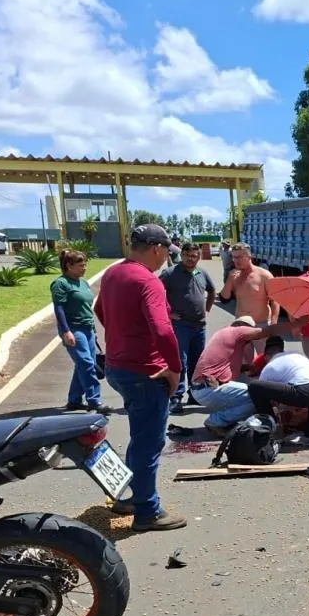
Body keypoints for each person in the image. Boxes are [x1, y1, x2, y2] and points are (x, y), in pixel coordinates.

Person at [93, 224, 186, 532]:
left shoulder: (113, 274)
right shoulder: (148, 281)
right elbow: (162, 330)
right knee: (150, 442)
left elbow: (98, 309)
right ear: (157, 248)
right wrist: (174, 367)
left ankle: (129, 497)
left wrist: (123, 335)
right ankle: (147, 511)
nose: (165, 260)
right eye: (166, 253)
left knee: (139, 436)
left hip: (119, 368)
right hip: (146, 371)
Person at [191, 316, 307, 436]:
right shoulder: (237, 331)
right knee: (259, 396)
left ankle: (225, 420)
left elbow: (221, 364)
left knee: (253, 395)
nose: (251, 339)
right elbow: (267, 331)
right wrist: (297, 324)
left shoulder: (224, 336)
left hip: (202, 387)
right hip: (208, 387)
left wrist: (245, 368)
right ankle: (216, 421)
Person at [51, 249, 110, 414]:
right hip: (73, 329)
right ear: (69, 266)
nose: (84, 268)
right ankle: (95, 400)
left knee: (83, 365)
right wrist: (66, 331)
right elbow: (59, 309)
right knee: (86, 363)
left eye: (85, 264)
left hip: (87, 328)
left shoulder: (83, 283)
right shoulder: (61, 284)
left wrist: (93, 329)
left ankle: (74, 400)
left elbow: (86, 308)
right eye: (80, 265)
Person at [160, 242, 215, 414]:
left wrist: (207, 309)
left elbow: (212, 291)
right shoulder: (170, 273)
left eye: (195, 256)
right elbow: (154, 294)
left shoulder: (202, 272)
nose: (192, 259)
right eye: (188, 256)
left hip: (199, 326)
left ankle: (195, 394)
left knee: (197, 362)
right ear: (182, 255)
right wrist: (168, 313)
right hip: (180, 325)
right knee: (180, 362)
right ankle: (176, 397)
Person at [247, 337, 309, 439]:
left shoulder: (270, 366)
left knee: (254, 387)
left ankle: (270, 426)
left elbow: (263, 394)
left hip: (307, 390)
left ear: (266, 357)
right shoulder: (296, 355)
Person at [218, 243, 278, 358]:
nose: (236, 260)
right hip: (241, 325)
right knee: (244, 364)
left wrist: (274, 323)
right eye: (234, 257)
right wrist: (230, 279)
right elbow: (224, 299)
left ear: (249, 256)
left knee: (265, 360)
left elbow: (275, 301)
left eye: (240, 257)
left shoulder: (264, 275)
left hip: (261, 325)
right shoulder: (234, 276)